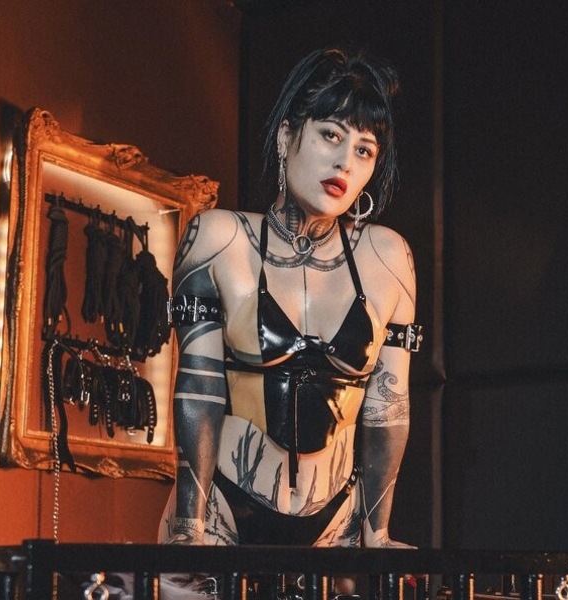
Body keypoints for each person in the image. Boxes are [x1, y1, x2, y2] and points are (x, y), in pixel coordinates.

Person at [159, 46, 422, 594]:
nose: (345, 162)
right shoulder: (218, 240)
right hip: (221, 511)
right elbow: (199, 387)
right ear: (286, 136)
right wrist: (189, 525)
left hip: (336, 522)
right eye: (330, 135)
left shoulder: (388, 259)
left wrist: (378, 533)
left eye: (364, 150)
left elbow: (387, 402)